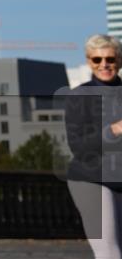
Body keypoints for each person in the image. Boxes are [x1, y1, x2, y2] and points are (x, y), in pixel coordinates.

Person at [66, 33, 122, 259]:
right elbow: (79, 146)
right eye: (97, 60)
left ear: (119, 60)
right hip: (91, 177)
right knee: (109, 251)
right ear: (89, 61)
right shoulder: (80, 95)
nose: (104, 65)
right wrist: (113, 131)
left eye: (110, 59)